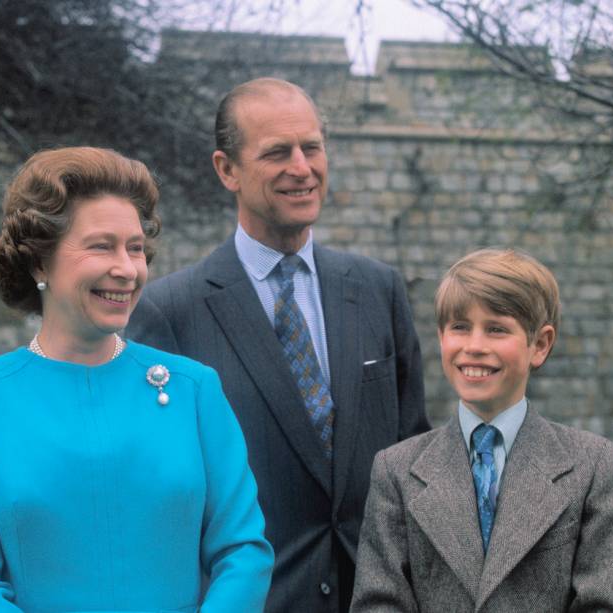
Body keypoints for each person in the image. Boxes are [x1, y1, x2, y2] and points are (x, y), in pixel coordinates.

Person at [126, 77, 430, 613]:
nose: (302, 167)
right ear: (227, 170)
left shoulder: (379, 288)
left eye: (311, 147)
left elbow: (414, 454)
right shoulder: (169, 313)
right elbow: (160, 502)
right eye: (276, 153)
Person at [0, 146, 273, 612]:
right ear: (38, 263)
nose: (127, 269)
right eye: (101, 246)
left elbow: (243, 552)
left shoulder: (195, 390)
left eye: (135, 248)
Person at [350, 247, 613, 612]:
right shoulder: (396, 470)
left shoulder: (592, 466)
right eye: (460, 327)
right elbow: (380, 602)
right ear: (442, 337)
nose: (474, 346)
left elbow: (608, 603)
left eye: (496, 329)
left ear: (539, 344)